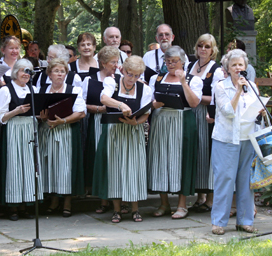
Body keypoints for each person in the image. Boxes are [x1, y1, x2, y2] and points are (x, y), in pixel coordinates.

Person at [92, 55, 152, 223]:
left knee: (134, 169)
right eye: (130, 74)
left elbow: (146, 113)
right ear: (123, 70)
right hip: (115, 131)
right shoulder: (113, 82)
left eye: (136, 75)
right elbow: (104, 99)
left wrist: (135, 122)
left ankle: (135, 209)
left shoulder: (144, 89)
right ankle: (117, 210)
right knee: (115, 169)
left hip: (133, 132)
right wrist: (120, 105)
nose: (132, 78)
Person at [147, 45, 203, 219]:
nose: (171, 65)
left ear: (183, 62)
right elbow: (148, 102)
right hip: (161, 121)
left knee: (182, 160)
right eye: (168, 61)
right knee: (160, 159)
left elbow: (194, 103)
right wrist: (153, 105)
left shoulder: (194, 80)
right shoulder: (157, 78)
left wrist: (184, 82)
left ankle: (182, 204)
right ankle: (163, 203)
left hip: (182, 120)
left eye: (174, 61)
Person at [210, 49, 260, 235]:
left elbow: (253, 110)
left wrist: (259, 111)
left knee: (246, 182)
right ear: (227, 68)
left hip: (247, 139)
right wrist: (238, 90)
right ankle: (218, 222)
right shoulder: (221, 86)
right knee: (225, 180)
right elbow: (228, 112)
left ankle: (245, 221)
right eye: (234, 65)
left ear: (245, 67)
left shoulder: (252, 85)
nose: (238, 68)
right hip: (226, 140)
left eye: (241, 65)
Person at [0, 59, 44, 221]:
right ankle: (13, 207)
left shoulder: (34, 89)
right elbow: (0, 118)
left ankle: (26, 204)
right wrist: (16, 111)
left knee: (29, 166)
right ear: (15, 72)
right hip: (14, 129)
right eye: (24, 70)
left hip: (30, 128)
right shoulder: (5, 90)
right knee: (15, 166)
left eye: (29, 71)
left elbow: (36, 112)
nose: (26, 74)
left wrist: (42, 116)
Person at [39, 58, 86, 217]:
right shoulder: (43, 90)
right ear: (49, 74)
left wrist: (63, 120)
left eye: (62, 71)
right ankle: (53, 201)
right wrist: (43, 117)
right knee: (50, 165)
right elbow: (38, 112)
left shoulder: (74, 90)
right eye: (56, 71)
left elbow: (81, 112)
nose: (59, 74)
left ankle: (67, 202)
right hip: (48, 132)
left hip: (66, 132)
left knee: (65, 166)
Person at [186, 34, 224, 213]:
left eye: (207, 46)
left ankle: (210, 197)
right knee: (196, 152)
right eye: (200, 45)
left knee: (207, 152)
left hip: (207, 114)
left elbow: (217, 97)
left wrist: (196, 98)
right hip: (191, 113)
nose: (203, 49)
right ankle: (199, 195)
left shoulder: (215, 70)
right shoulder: (190, 66)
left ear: (213, 49)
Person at [81, 46, 119, 214]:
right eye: (113, 62)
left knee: (116, 160)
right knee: (101, 159)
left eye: (117, 62)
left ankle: (119, 199)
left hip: (117, 123)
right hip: (97, 122)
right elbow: (81, 104)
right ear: (103, 63)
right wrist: (98, 109)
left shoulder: (121, 78)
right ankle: (103, 200)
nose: (116, 65)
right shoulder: (90, 80)